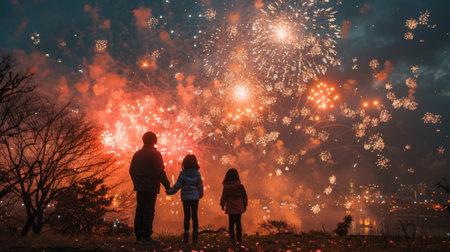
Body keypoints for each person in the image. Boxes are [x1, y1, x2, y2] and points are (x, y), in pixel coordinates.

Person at [129, 131, 171, 244]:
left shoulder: (137, 154)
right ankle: (147, 236)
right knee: (149, 210)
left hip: (140, 187)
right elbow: (159, 171)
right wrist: (167, 185)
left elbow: (131, 171)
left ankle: (138, 236)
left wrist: (136, 183)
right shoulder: (155, 154)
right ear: (154, 141)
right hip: (151, 186)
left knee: (140, 209)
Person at [166, 154, 203, 244]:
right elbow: (200, 186)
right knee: (195, 216)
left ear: (184, 163)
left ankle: (186, 238)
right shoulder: (197, 174)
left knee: (187, 216)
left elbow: (178, 185)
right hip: (195, 198)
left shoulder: (183, 174)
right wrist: (199, 195)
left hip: (185, 198)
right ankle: (195, 238)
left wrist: (170, 192)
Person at [220, 168, 248, 244]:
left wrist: (222, 204)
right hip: (239, 206)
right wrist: (245, 205)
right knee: (238, 223)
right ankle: (239, 239)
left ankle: (232, 239)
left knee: (231, 224)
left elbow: (224, 196)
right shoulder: (240, 186)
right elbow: (244, 196)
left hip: (230, 206)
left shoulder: (226, 187)